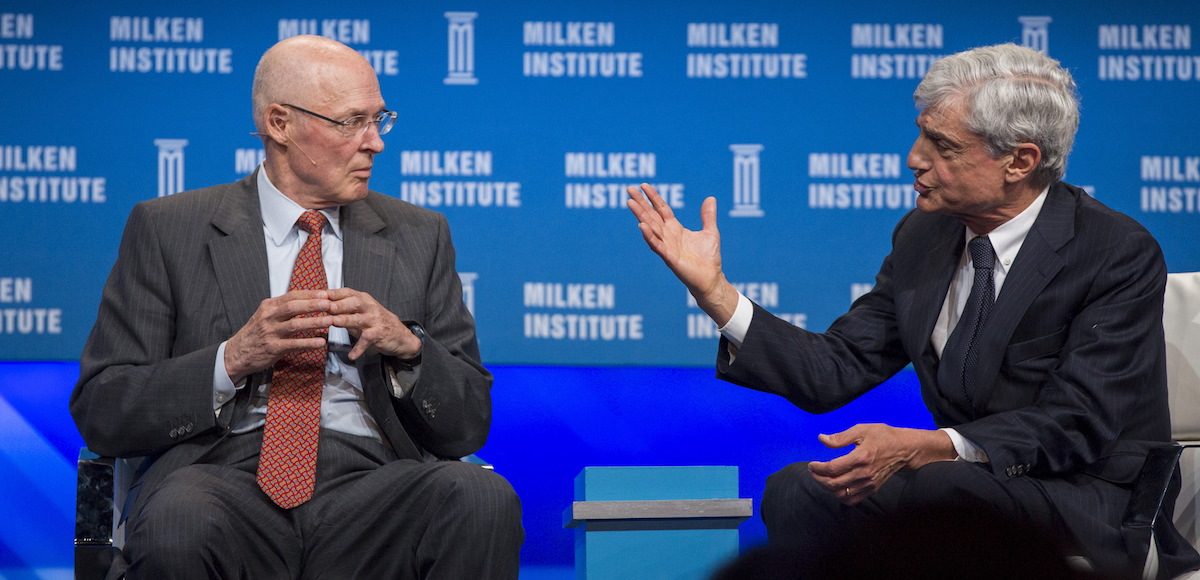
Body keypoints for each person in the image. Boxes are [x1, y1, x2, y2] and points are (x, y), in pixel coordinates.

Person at [626, 43, 1199, 578]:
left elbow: (1080, 420)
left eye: (943, 146)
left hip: (1093, 494)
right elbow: (837, 368)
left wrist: (927, 447)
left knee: (940, 493)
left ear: (1020, 161)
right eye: (921, 136)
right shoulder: (925, 236)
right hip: (967, 483)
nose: (913, 158)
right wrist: (716, 293)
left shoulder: (1113, 251)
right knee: (798, 489)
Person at [71, 35, 521, 579]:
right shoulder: (170, 229)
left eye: (380, 119)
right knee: (180, 517)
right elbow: (104, 409)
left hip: (374, 488)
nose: (375, 142)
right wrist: (232, 359)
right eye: (352, 121)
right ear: (280, 123)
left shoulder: (418, 235)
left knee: (479, 496)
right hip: (220, 479)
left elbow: (468, 426)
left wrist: (409, 350)